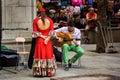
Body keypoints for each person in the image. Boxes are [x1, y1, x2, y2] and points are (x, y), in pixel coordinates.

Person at [31, 8, 57, 77]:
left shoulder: (35, 20)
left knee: (40, 56)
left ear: (38, 13)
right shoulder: (50, 20)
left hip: (39, 40)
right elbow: (52, 32)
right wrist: (47, 38)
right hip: (47, 42)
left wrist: (42, 37)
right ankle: (49, 72)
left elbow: (35, 33)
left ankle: (39, 73)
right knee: (48, 56)